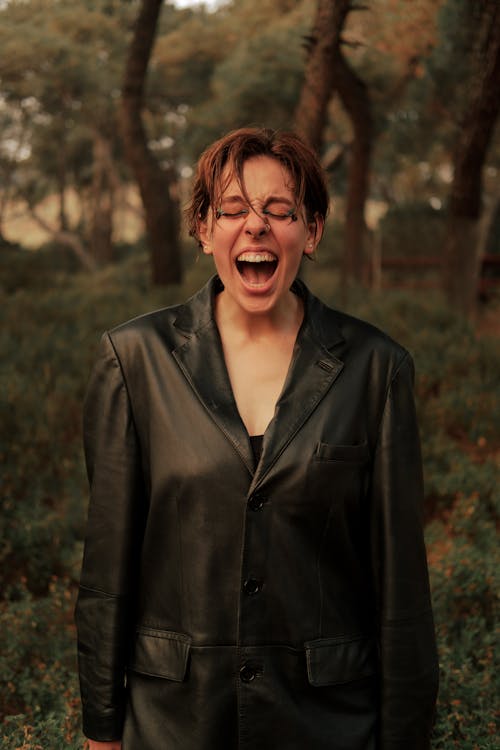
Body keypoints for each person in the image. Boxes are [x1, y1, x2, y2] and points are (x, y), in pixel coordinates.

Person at [75, 127, 439, 750]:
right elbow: (108, 569)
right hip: (171, 721)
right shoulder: (134, 360)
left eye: (279, 211)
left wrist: (405, 735)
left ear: (313, 229)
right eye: (233, 210)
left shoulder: (378, 368)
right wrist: (102, 729)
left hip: (331, 723)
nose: (256, 227)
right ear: (202, 228)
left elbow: (402, 584)